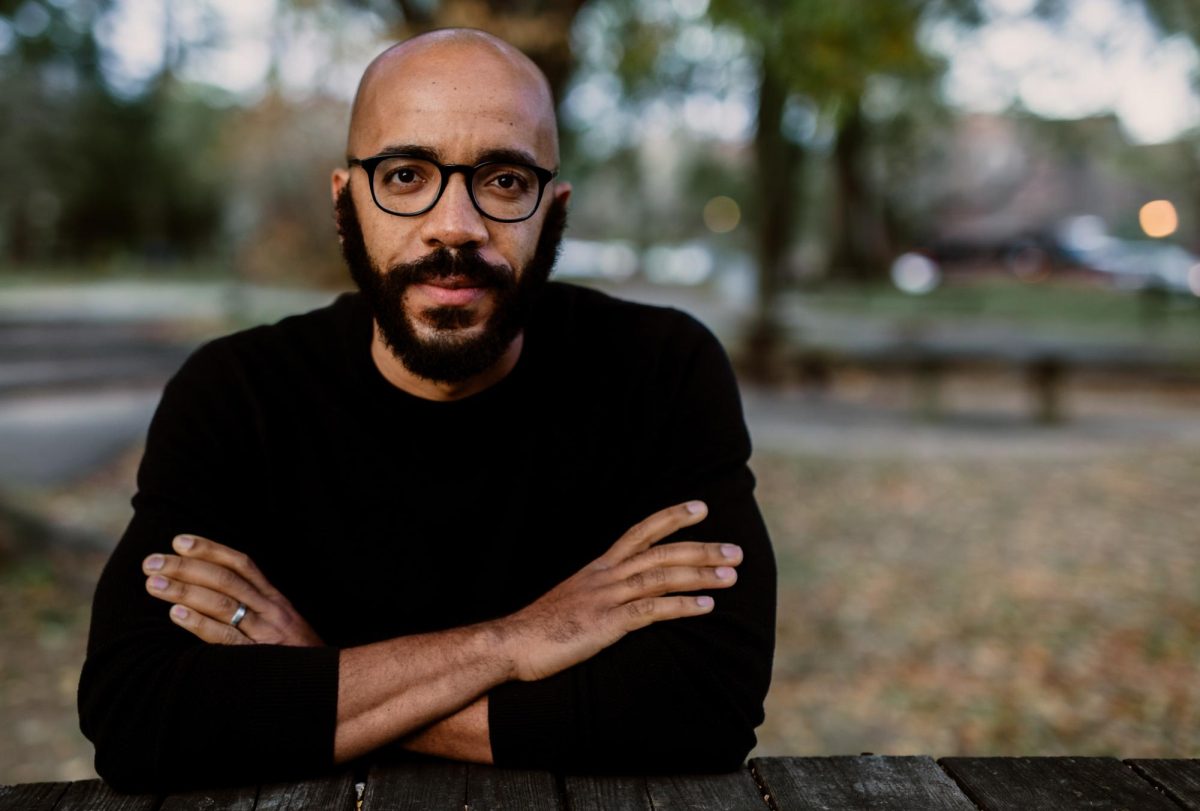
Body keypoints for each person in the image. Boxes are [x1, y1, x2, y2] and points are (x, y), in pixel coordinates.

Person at [78, 29, 776, 793]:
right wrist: (513, 643)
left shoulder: (661, 372)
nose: (455, 226)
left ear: (554, 210)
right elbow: (136, 713)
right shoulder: (236, 394)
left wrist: (321, 681)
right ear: (345, 202)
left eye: (504, 180)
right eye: (406, 175)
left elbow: (707, 705)